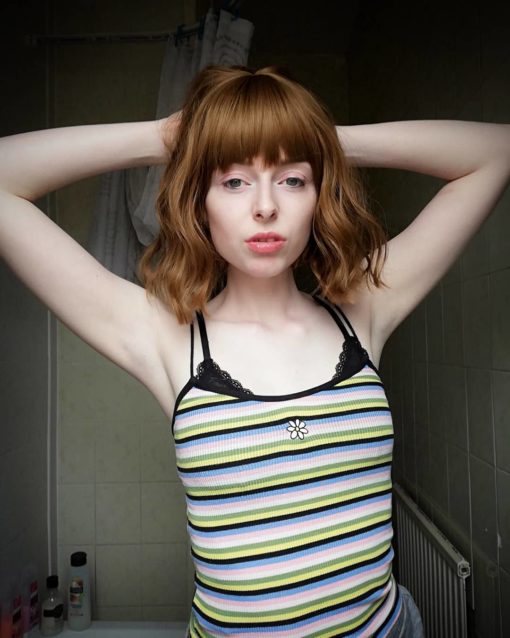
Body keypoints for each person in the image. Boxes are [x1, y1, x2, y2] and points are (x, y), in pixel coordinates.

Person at [0, 65, 509, 637]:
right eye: (234, 180)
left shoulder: (362, 309)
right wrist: (173, 137)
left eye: (292, 179)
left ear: (318, 193)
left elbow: (494, 152)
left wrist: (319, 139)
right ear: (200, 200)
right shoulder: (166, 336)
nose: (265, 206)